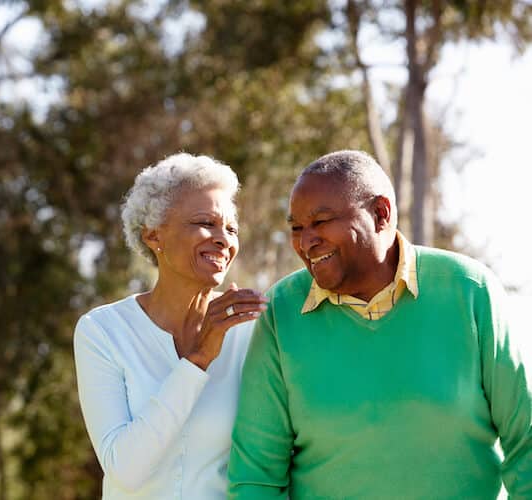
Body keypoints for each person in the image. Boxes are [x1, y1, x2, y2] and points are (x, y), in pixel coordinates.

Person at [227, 150, 532, 499]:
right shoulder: (281, 311)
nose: (306, 241)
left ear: (381, 213)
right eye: (297, 228)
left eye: (321, 221)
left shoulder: (469, 290)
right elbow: (256, 475)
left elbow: (526, 439)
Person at [74, 152, 268, 499]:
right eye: (204, 222)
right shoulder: (102, 331)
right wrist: (198, 359)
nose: (224, 239)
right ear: (153, 236)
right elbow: (125, 469)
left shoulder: (251, 330)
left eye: (231, 228)